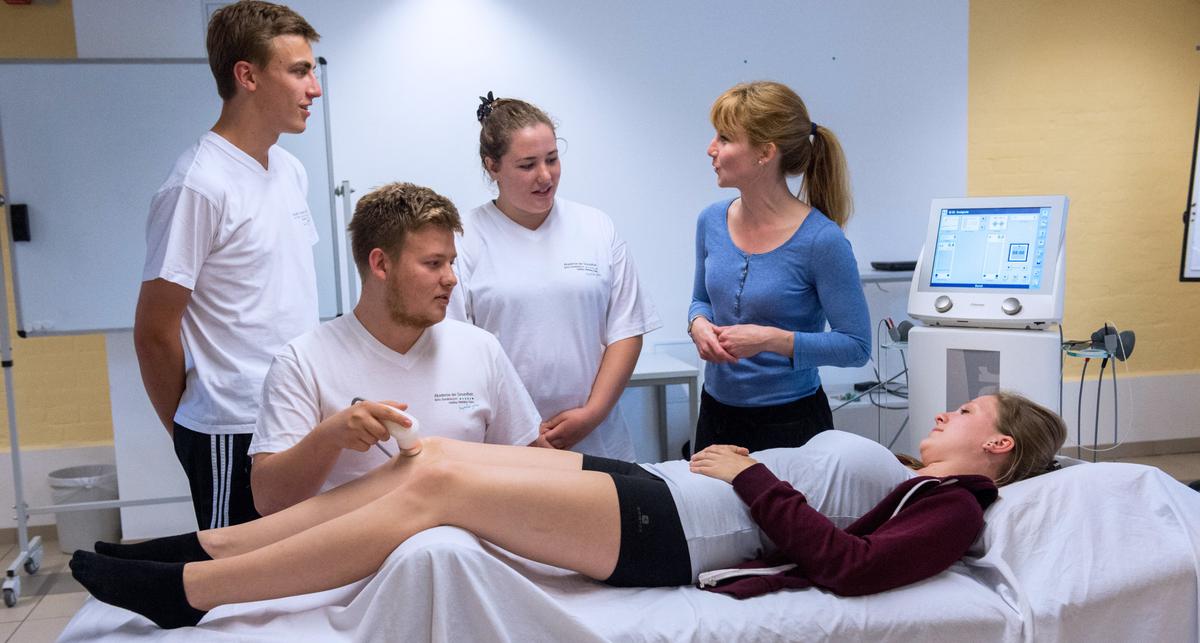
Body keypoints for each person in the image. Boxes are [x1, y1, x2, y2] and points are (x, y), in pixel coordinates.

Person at [71, 392, 1067, 629]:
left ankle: (194, 594)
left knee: (438, 493)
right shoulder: (908, 473)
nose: (949, 411)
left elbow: (850, 568)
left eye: (970, 411)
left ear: (1001, 448)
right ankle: (197, 543)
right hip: (654, 486)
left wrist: (748, 476)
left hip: (679, 530)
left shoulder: (957, 509)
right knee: (430, 456)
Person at [133, 0, 323, 529]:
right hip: (231, 427)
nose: (315, 89)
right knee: (237, 575)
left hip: (296, 413)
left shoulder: (289, 168)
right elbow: (153, 333)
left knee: (299, 567)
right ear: (248, 76)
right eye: (299, 71)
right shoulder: (198, 185)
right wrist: (189, 432)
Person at [247, 182, 544, 515]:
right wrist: (329, 438)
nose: (451, 279)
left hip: (463, 542)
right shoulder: (303, 361)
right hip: (356, 547)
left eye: (451, 262)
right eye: (433, 263)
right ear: (381, 265)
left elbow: (532, 468)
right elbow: (270, 503)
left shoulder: (481, 349)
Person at [447, 94, 661, 460]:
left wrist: (592, 415)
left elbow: (626, 330)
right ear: (492, 166)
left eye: (552, 159)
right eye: (527, 165)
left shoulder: (595, 227)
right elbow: (457, 350)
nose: (545, 176)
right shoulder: (464, 238)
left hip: (598, 440)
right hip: (505, 446)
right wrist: (521, 431)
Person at [688, 81, 871, 454]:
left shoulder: (822, 240)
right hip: (715, 414)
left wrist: (770, 340)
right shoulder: (710, 221)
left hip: (791, 425)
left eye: (725, 138)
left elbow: (856, 347)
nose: (711, 148)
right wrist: (698, 324)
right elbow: (700, 300)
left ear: (765, 153)